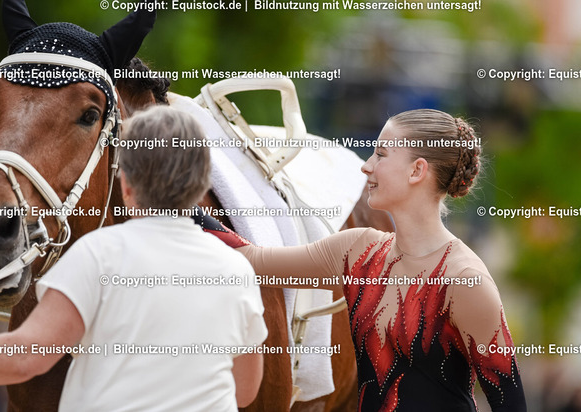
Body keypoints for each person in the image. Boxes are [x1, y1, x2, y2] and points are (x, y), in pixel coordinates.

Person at [0, 106, 267, 411]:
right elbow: (245, 389)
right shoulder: (237, 269)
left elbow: (27, 356)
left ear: (126, 185)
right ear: (202, 185)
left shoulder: (97, 255)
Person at [198, 109, 527, 411]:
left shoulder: (464, 279)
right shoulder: (358, 250)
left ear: (417, 170)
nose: (366, 166)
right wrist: (181, 204)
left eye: (381, 155)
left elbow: (510, 404)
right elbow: (252, 259)